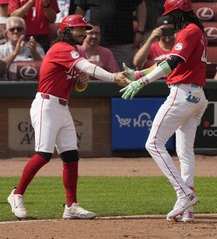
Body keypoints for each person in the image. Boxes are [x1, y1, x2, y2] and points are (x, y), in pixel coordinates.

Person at [7, 14, 129, 220]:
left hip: (62, 106)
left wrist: (82, 82)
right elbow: (89, 68)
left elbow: (79, 85)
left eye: (85, 29)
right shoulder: (61, 48)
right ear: (67, 31)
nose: (84, 33)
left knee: (71, 156)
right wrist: (112, 77)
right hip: (47, 104)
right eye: (80, 29)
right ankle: (16, 194)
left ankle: (71, 205)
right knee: (43, 154)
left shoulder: (74, 52)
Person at [120, 0, 208, 222]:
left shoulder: (189, 31)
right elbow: (168, 62)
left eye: (171, 15)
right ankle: (187, 210)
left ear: (180, 13)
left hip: (182, 94)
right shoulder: (196, 33)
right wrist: (138, 74)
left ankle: (184, 194)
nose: (169, 21)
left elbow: (172, 64)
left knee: (153, 143)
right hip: (197, 95)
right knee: (185, 152)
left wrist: (141, 83)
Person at [74, 0, 146, 69]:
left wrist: (140, 30)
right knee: (93, 74)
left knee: (125, 75)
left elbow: (140, 4)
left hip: (123, 43)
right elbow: (80, 8)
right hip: (96, 43)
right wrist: (79, 30)